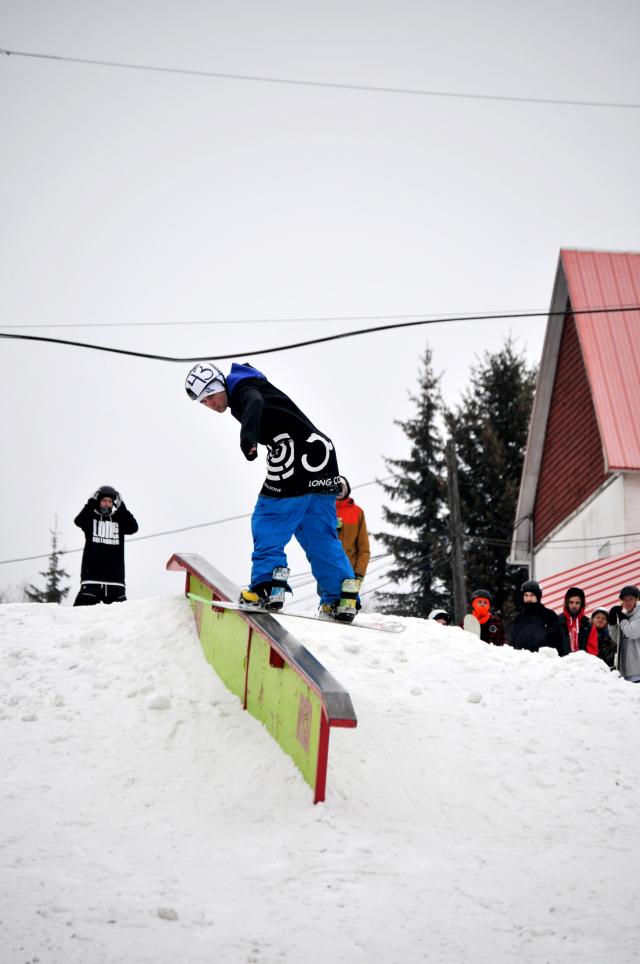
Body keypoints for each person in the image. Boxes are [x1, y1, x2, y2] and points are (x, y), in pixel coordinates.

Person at [185, 361, 358, 622]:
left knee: (268, 519)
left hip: (295, 454)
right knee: (318, 533)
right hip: (323, 454)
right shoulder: (252, 385)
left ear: (221, 384)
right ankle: (341, 598)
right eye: (203, 402)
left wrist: (248, 436)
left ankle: (268, 587)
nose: (210, 404)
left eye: (210, 395)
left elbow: (254, 402)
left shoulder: (243, 387)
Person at [73, 485, 139, 606]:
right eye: (104, 501)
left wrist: (121, 506)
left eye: (110, 501)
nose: (107, 504)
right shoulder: (90, 518)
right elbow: (78, 521)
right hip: (91, 578)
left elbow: (134, 527)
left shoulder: (119, 519)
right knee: (79, 617)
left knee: (122, 620)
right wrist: (91, 501)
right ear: (98, 501)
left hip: (115, 580)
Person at [335, 476, 370, 588]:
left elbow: (364, 548)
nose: (339, 489)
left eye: (341, 486)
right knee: (329, 603)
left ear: (347, 489)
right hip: (328, 570)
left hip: (351, 572)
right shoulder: (325, 511)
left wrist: (359, 573)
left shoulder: (357, 512)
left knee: (347, 605)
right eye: (335, 487)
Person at [510, 580, 562, 654]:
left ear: (538, 596)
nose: (528, 599)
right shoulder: (519, 618)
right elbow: (513, 644)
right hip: (522, 662)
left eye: (532, 595)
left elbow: (557, 643)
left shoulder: (549, 616)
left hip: (544, 661)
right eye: (526, 595)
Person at [608, 585, 640, 682]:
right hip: (625, 671)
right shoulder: (625, 617)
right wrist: (612, 623)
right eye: (625, 599)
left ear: (637, 600)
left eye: (630, 599)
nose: (627, 602)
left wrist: (622, 618)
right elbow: (617, 638)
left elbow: (632, 633)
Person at [557, 586, 598, 658]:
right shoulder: (557, 622)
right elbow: (552, 648)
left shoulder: (588, 625)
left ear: (582, 604)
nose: (574, 606)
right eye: (571, 602)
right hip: (561, 665)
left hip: (582, 666)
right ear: (566, 603)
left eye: (577, 603)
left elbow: (592, 653)